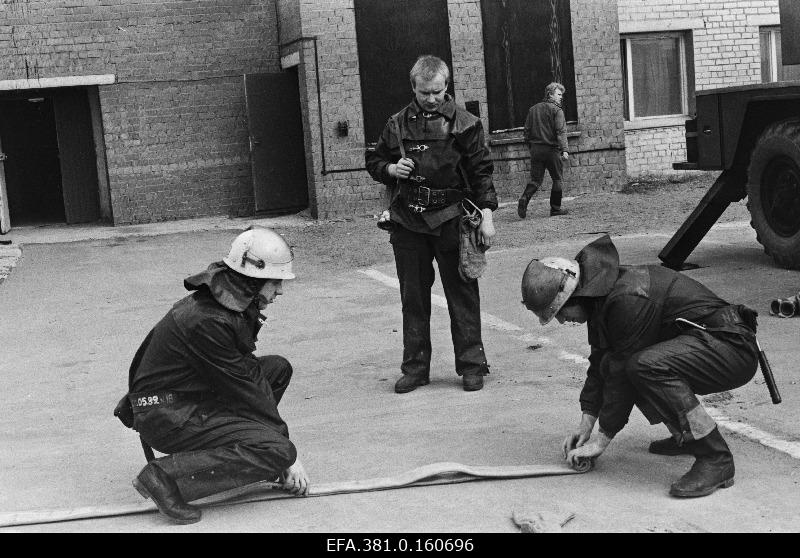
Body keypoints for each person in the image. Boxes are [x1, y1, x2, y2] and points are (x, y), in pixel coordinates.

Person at [520, 234, 759, 498]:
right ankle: (686, 435)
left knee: (642, 366)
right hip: (708, 345)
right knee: (630, 362)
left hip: (731, 348)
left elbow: (621, 374)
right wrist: (585, 424)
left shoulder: (626, 299)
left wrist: (601, 439)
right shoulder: (601, 299)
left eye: (561, 313)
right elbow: (601, 362)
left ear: (574, 298)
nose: (563, 322)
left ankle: (716, 458)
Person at [115, 227, 309, 524]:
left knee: (277, 369)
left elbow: (247, 377)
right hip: (167, 415)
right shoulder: (211, 321)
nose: (279, 291)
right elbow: (246, 389)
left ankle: (255, 450)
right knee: (278, 449)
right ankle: (163, 476)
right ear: (253, 281)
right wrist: (287, 456)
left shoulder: (227, 300)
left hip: (184, 396)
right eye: (275, 282)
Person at [365, 54, 498, 393]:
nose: (432, 99)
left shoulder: (466, 123)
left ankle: (471, 365)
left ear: (446, 86)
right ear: (414, 88)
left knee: (462, 294)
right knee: (414, 298)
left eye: (437, 92)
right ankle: (415, 368)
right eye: (425, 92)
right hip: (408, 222)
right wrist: (392, 170)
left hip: (453, 220)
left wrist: (487, 216)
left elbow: (482, 172)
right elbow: (375, 159)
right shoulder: (397, 124)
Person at [518, 82, 570, 218]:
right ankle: (555, 209)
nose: (561, 97)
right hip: (552, 150)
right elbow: (561, 132)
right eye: (559, 94)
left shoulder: (533, 109)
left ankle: (524, 198)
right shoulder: (557, 110)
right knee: (557, 179)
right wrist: (565, 149)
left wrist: (532, 147)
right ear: (550, 94)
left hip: (536, 150)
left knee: (535, 180)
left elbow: (526, 132)